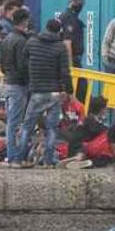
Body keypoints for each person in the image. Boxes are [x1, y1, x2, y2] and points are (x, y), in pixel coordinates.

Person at [20, 19, 74, 168]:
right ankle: (48, 162)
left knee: (27, 127)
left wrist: (29, 78)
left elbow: (23, 62)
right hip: (55, 92)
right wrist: (69, 91)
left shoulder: (32, 42)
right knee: (52, 128)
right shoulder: (60, 47)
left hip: (37, 90)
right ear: (59, 31)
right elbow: (65, 72)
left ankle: (21, 159)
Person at [0, 8, 32, 168]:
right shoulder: (21, 41)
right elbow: (23, 66)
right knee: (15, 123)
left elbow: (3, 64)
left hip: (8, 82)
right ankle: (14, 158)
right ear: (25, 21)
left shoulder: (6, 39)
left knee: (11, 122)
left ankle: (12, 156)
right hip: (19, 85)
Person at [60, 96, 109, 169]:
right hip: (80, 148)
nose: (106, 111)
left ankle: (80, 160)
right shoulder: (92, 121)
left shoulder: (87, 120)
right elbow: (99, 131)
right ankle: (88, 162)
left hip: (76, 148)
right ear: (102, 110)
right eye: (105, 109)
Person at [59, 0, 86, 67]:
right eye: (79, 3)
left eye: (82, 3)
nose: (81, 6)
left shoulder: (73, 17)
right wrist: (70, 66)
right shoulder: (69, 18)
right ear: (72, 2)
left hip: (75, 59)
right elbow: (67, 42)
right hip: (72, 59)